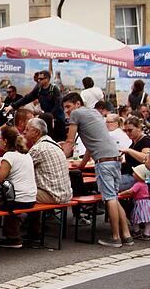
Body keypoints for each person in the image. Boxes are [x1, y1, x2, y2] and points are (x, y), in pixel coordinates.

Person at [62, 92, 130, 246]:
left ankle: (115, 238)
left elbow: (69, 141)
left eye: (68, 106)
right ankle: (126, 235)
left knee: (110, 198)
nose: (67, 110)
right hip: (114, 158)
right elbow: (91, 146)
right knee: (114, 196)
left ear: (78, 104)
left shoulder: (76, 114)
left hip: (104, 162)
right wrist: (81, 165)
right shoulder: (94, 113)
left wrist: (60, 159)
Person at [0, 126, 37, 248]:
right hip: (30, 198)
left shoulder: (9, 156)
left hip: (16, 200)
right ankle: (10, 234)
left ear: (5, 141)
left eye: (0, 139)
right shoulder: (25, 155)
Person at [8, 70, 66, 140]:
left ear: (47, 79)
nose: (39, 80)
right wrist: (12, 106)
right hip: (46, 118)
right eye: (38, 79)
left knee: (60, 139)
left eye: (41, 79)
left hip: (57, 118)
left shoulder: (54, 89)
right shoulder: (38, 89)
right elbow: (27, 98)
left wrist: (52, 116)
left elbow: (58, 105)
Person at [118, 115, 150, 191]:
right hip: (130, 175)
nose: (127, 133)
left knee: (107, 186)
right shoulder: (134, 142)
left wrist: (129, 151)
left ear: (139, 128)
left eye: (130, 130)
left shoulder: (145, 141)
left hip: (140, 178)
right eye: (125, 131)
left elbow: (145, 158)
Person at [119, 165, 150, 241]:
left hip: (140, 203)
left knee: (134, 218)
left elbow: (130, 191)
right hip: (147, 203)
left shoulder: (138, 184)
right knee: (147, 220)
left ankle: (137, 231)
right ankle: (147, 233)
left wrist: (121, 193)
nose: (133, 174)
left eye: (135, 173)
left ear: (139, 176)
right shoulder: (146, 184)